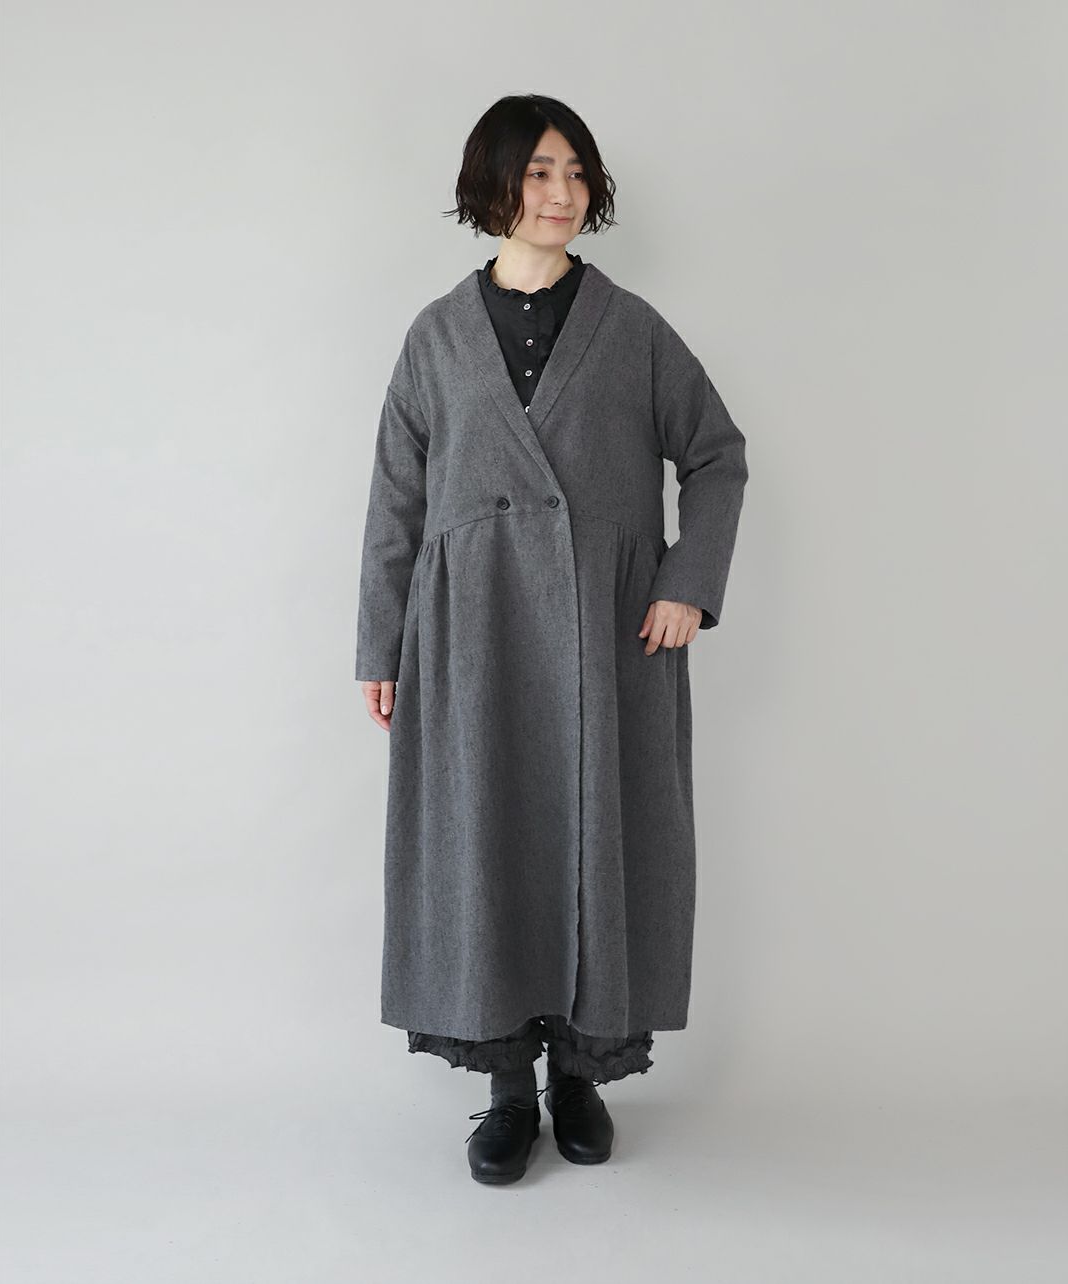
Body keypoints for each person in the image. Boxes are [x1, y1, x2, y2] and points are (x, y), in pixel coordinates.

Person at [355, 94, 749, 1185]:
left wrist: (686, 585)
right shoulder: (435, 338)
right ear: (492, 184)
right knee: (484, 842)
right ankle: (502, 1091)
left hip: (606, 640)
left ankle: (580, 1074)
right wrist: (380, 647)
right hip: (470, 641)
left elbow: (715, 455)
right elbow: (395, 503)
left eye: (576, 173)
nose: (561, 193)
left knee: (603, 839)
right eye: (537, 172)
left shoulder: (633, 330)